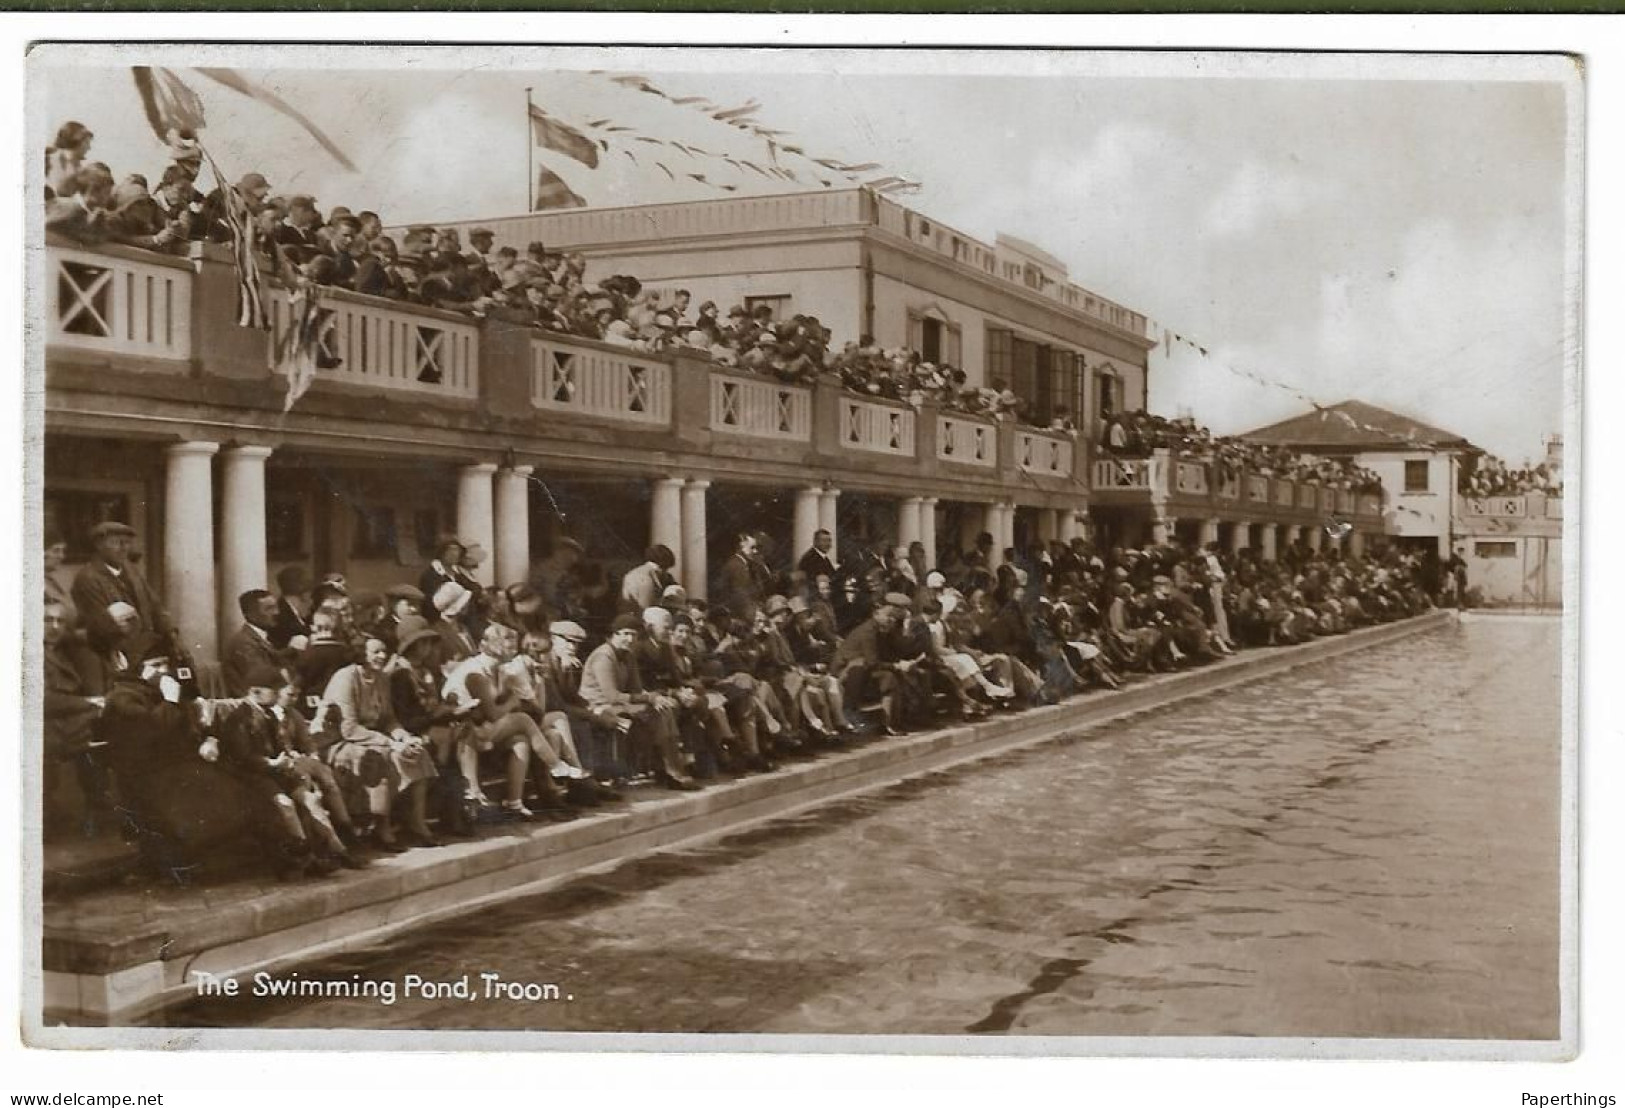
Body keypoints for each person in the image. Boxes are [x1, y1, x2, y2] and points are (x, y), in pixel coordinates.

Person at [316, 636, 439, 852]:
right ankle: (382, 829)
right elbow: (349, 728)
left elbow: (389, 719)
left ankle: (417, 824)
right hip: (338, 742)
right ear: (360, 653)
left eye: (384, 652)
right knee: (382, 755)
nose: (382, 656)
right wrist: (391, 743)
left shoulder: (382, 678)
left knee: (417, 753)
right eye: (376, 652)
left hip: (372, 738)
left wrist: (403, 737)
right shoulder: (346, 678)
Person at [580, 614, 698, 790]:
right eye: (625, 634)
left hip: (618, 703)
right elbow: (611, 695)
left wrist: (656, 698)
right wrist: (648, 698)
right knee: (650, 713)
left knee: (663, 709)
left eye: (634, 635)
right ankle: (669, 770)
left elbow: (637, 689)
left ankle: (670, 769)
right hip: (596, 705)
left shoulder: (628, 656)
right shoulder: (604, 656)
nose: (630, 639)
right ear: (614, 634)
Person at [70, 521, 172, 653]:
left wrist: (170, 633)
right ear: (99, 545)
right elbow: (101, 625)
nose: (123, 548)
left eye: (127, 543)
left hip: (143, 648)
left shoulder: (131, 571)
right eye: (116, 543)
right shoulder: (88, 578)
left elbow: (155, 606)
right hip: (109, 652)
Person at [222, 588, 290, 695]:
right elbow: (260, 677)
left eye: (276, 607)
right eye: (269, 609)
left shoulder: (263, 637)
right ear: (250, 614)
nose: (276, 612)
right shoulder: (242, 642)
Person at [715, 532, 765, 623]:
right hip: (741, 617)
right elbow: (741, 595)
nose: (755, 551)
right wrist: (754, 615)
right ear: (741, 547)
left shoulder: (746, 565)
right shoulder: (736, 566)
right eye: (752, 548)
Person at [620, 544, 676, 613]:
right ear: (661, 567)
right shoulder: (647, 580)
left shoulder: (632, 574)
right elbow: (646, 611)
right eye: (666, 569)